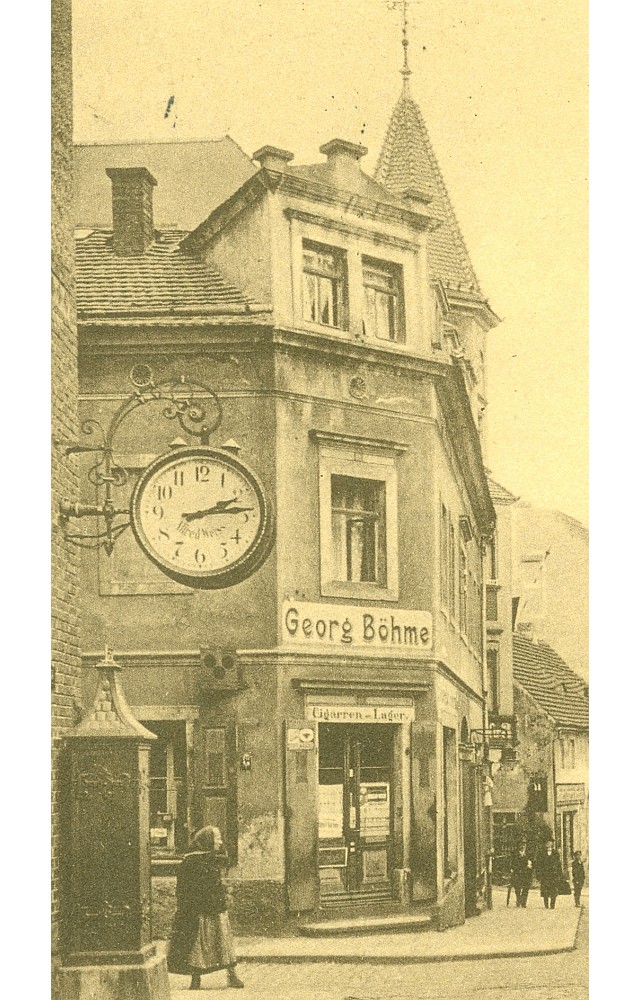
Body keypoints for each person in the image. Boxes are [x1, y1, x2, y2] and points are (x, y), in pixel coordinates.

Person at [167, 826, 244, 990]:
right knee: (198, 946)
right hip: (199, 911)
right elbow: (184, 888)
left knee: (223, 942)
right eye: (217, 838)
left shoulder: (212, 858)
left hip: (215, 908)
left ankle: (231, 975)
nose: (220, 842)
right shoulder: (191, 861)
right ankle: (196, 978)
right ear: (208, 840)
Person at [536, 839, 563, 909]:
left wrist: (560, 874)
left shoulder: (555, 853)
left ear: (552, 844)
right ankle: (546, 904)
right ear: (545, 844)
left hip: (553, 874)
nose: (548, 844)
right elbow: (538, 864)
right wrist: (538, 874)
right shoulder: (541, 853)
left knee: (553, 889)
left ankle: (552, 904)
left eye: (550, 843)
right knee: (545, 889)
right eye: (547, 843)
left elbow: (558, 864)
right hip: (545, 874)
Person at [510, 843, 533, 908]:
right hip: (518, 873)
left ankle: (523, 902)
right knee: (517, 888)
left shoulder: (529, 854)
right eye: (521, 845)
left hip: (526, 874)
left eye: (524, 845)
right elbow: (512, 864)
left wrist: (530, 865)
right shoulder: (515, 854)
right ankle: (518, 900)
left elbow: (533, 863)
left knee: (526, 888)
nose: (522, 846)